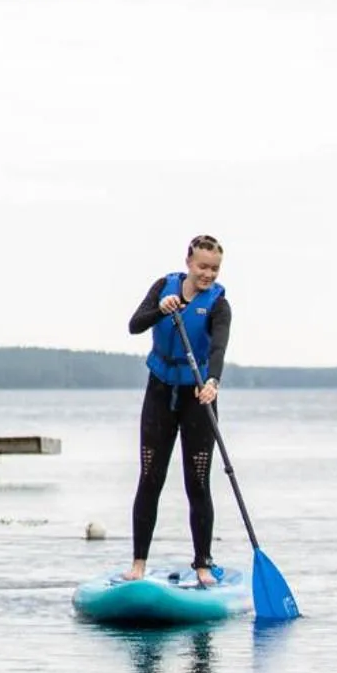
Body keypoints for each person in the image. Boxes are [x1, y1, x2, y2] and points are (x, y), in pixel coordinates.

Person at [122, 234, 232, 585]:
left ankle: (202, 563)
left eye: (214, 268)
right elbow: (135, 325)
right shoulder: (164, 287)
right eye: (202, 267)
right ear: (188, 262)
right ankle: (138, 563)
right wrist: (161, 309)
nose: (208, 274)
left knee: (197, 482)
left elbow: (218, 348)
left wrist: (212, 382)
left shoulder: (219, 304)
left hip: (199, 396)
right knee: (150, 477)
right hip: (160, 393)